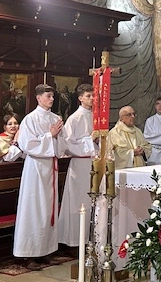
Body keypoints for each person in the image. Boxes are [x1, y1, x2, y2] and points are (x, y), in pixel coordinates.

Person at [13, 84, 65, 270]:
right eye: (48, 96)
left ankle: (47, 250)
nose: (52, 99)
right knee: (33, 209)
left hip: (50, 167)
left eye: (52, 96)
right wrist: (49, 136)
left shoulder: (55, 118)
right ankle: (29, 254)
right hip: (35, 169)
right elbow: (27, 144)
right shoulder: (30, 119)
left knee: (48, 210)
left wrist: (56, 137)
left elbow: (62, 143)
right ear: (38, 98)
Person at [58, 84, 98, 248]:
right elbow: (66, 144)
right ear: (80, 97)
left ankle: (92, 237)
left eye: (93, 96)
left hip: (94, 162)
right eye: (88, 96)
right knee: (78, 201)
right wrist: (90, 140)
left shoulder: (96, 117)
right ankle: (74, 240)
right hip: (80, 164)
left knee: (93, 200)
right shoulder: (74, 118)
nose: (92, 99)